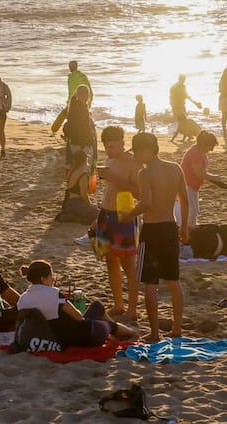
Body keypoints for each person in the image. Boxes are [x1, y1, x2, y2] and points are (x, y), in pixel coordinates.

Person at [118, 132, 189, 342]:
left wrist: (127, 216)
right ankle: (177, 328)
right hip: (170, 227)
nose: (135, 157)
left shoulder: (145, 174)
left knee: (150, 283)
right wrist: (184, 227)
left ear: (145, 150)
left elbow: (147, 203)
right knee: (173, 281)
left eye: (136, 152)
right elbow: (185, 202)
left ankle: (155, 332)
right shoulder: (175, 168)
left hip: (152, 230)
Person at [17, 259, 137, 347]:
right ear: (43, 279)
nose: (53, 279)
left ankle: (116, 334)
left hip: (53, 337)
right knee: (107, 325)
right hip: (81, 338)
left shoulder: (23, 299)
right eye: (51, 276)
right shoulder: (53, 294)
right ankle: (131, 332)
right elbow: (79, 317)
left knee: (96, 306)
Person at [94, 126, 140, 319]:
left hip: (124, 216)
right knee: (110, 261)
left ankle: (133, 309)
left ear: (123, 143)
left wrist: (114, 177)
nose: (110, 150)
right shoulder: (109, 160)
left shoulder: (133, 163)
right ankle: (118, 304)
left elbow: (138, 193)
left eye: (113, 146)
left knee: (129, 265)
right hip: (106, 213)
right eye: (106, 147)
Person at [176, 131, 222, 229]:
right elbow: (199, 172)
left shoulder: (201, 152)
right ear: (204, 144)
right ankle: (186, 232)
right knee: (191, 211)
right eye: (211, 146)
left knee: (194, 211)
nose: (212, 149)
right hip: (186, 185)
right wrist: (214, 178)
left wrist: (213, 181)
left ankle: (189, 231)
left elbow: (201, 173)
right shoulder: (194, 153)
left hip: (193, 187)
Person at [62, 84, 96, 170]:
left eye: (87, 94)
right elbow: (82, 126)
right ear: (78, 95)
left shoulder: (75, 105)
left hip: (75, 140)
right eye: (83, 94)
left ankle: (69, 165)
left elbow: (79, 125)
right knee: (85, 164)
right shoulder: (80, 107)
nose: (85, 96)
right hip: (80, 141)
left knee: (77, 163)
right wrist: (87, 140)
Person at [169, 74, 202, 146]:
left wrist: (195, 103)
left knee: (183, 123)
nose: (183, 81)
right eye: (183, 79)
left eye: (184, 80)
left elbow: (186, 96)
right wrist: (195, 103)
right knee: (182, 122)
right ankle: (188, 136)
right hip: (177, 106)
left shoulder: (177, 86)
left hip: (180, 106)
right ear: (179, 79)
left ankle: (187, 136)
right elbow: (173, 97)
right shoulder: (176, 87)